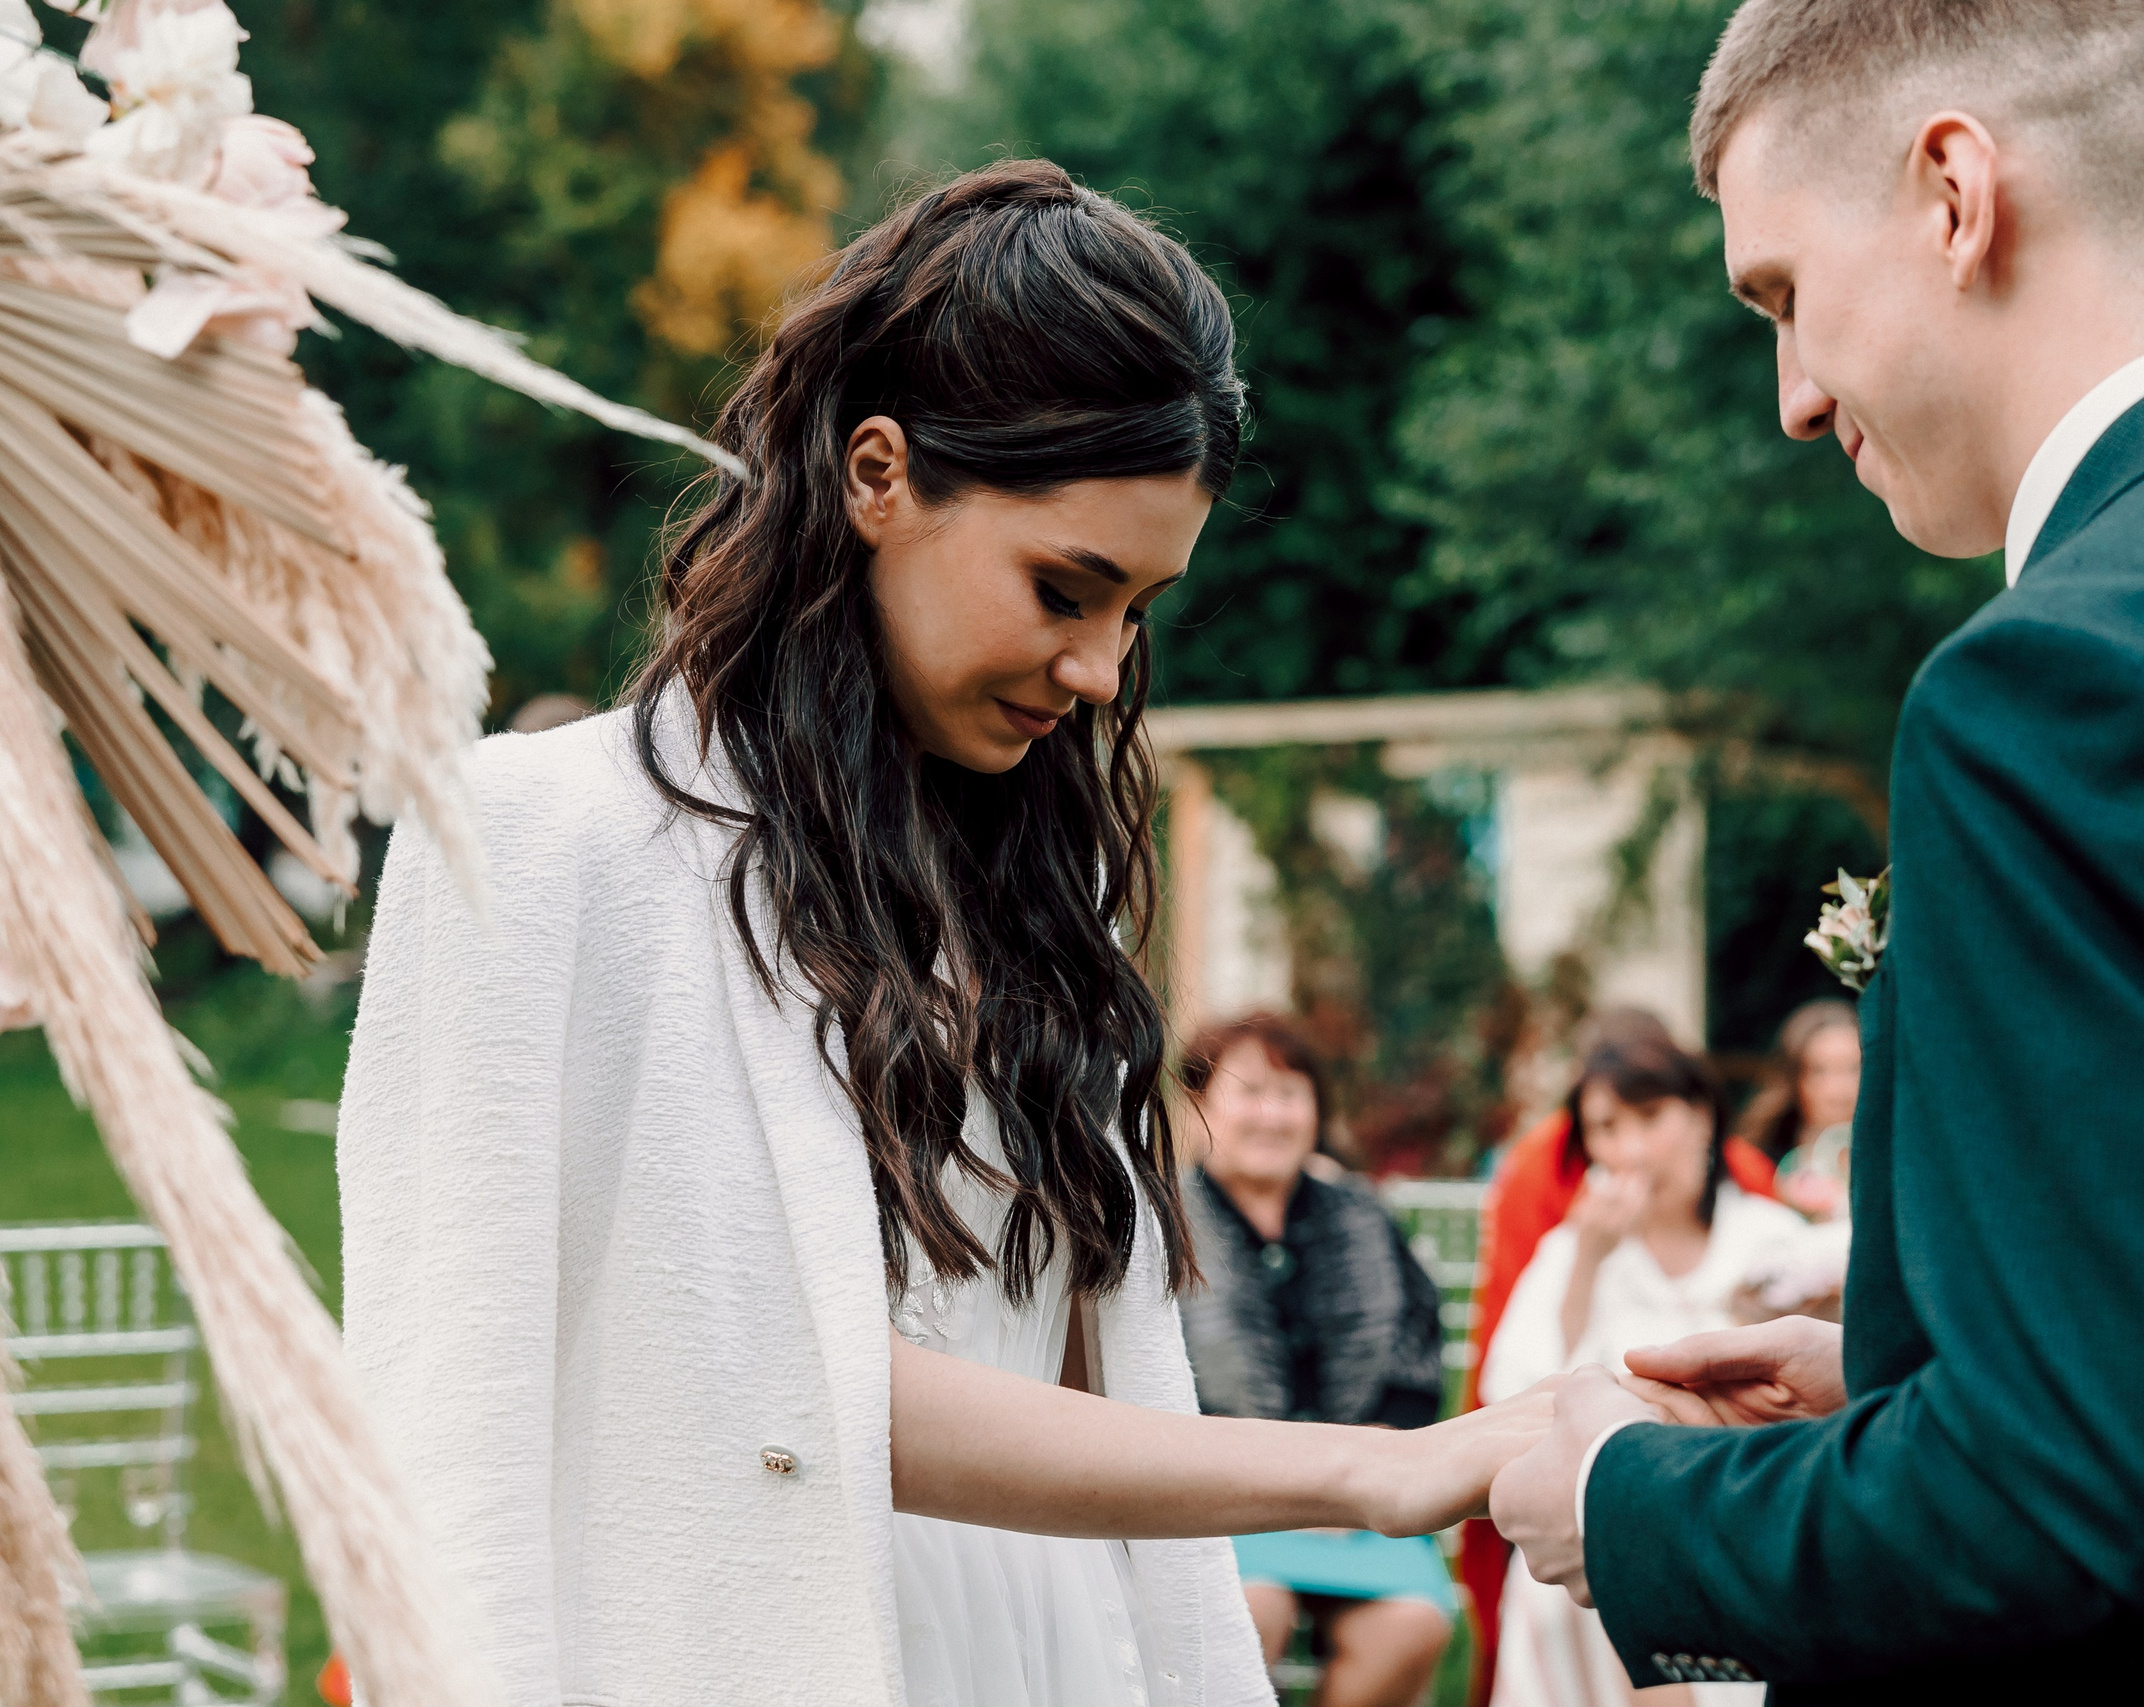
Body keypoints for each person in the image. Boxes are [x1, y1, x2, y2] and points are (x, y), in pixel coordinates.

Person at [338, 161, 1557, 1707]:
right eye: (1068, 586)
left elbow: (1077, 1388)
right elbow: (454, 1429)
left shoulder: (1051, 898)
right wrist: (1376, 1470)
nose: (1106, 668)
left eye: (1138, 610)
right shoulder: (537, 840)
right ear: (876, 472)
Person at [1490, 4, 2144, 1704]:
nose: (1794, 395)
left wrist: (1636, 1508)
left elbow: (2069, 1518)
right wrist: (1924, 1373)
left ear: (1952, 192)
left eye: (1781, 294)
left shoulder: (2055, 687)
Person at [1479, 1024, 1804, 1707]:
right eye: (1605, 1127)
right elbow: (1510, 1392)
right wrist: (1587, 1261)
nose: (1629, 1148)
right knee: (1590, 1567)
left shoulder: (1770, 1240)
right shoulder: (1576, 1249)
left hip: (1741, 1508)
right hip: (1607, 1514)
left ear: (1702, 1116)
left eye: (1649, 1116)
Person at [1179, 1014, 1458, 1707]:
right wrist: (1279, 1486)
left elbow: (1417, 1350)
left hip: (1352, 1500)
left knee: (1412, 1624)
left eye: (1291, 1093)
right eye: (1250, 1092)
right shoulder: (1165, 1220)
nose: (1272, 1114)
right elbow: (1148, 1376)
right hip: (1220, 1502)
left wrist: (1359, 1472)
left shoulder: (1360, 1213)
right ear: (1198, 1105)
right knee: (1248, 1613)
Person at [1724, 1000, 1859, 1204]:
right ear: (1795, 1079)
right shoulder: (1755, 1164)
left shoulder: (1896, 1161)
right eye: (1819, 1070)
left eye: (1853, 1068)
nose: (1839, 1087)